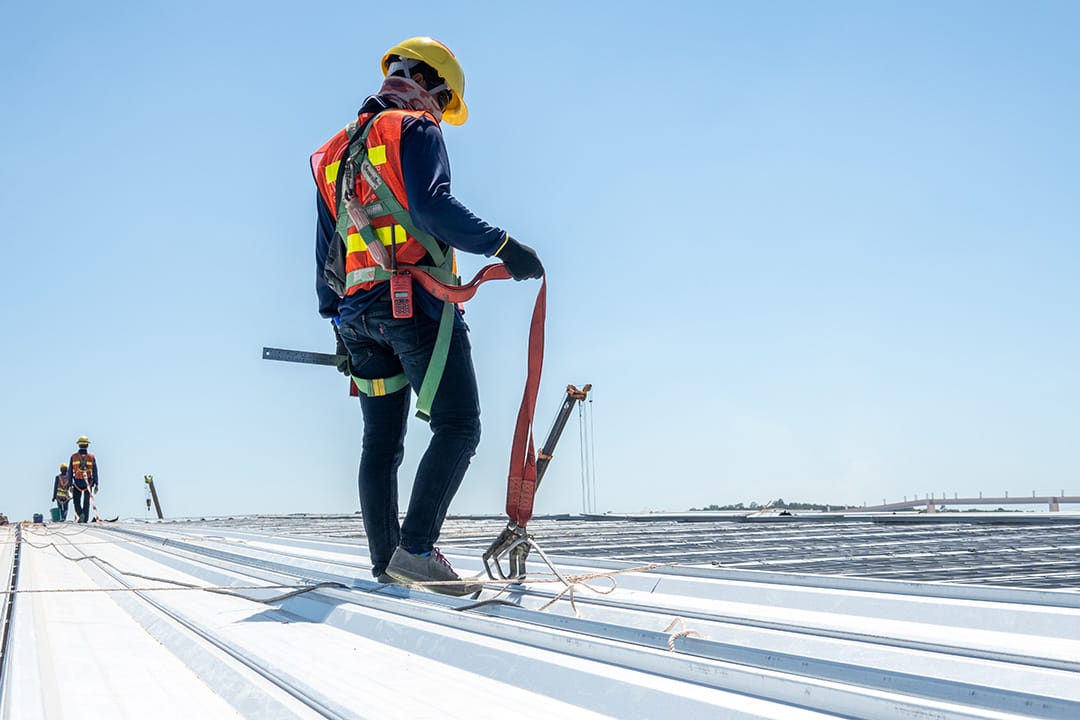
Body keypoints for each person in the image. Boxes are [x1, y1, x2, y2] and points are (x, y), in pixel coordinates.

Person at [310, 37, 542, 595]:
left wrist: (335, 319)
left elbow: (326, 251)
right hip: (414, 303)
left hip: (357, 312)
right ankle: (414, 550)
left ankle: (386, 560)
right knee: (459, 425)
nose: (441, 112)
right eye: (444, 101)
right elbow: (432, 205)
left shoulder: (333, 151)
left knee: (380, 444)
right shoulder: (414, 128)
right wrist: (503, 244)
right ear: (431, 84)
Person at [69, 435, 100, 523]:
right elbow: (95, 471)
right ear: (87, 445)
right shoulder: (91, 457)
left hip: (77, 482)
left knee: (76, 501)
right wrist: (97, 484)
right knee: (86, 502)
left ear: (79, 445)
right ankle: (85, 518)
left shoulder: (73, 457)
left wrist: (70, 485)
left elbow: (70, 471)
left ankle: (80, 514)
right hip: (88, 482)